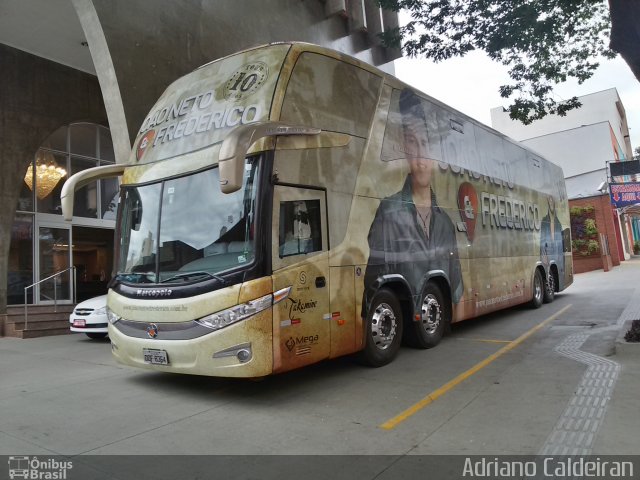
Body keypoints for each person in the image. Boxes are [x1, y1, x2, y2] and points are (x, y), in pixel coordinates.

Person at [363, 89, 464, 312]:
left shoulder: (446, 224)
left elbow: (456, 290)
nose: (420, 159)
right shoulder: (388, 211)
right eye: (412, 144)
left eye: (425, 144)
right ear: (405, 150)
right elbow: (374, 283)